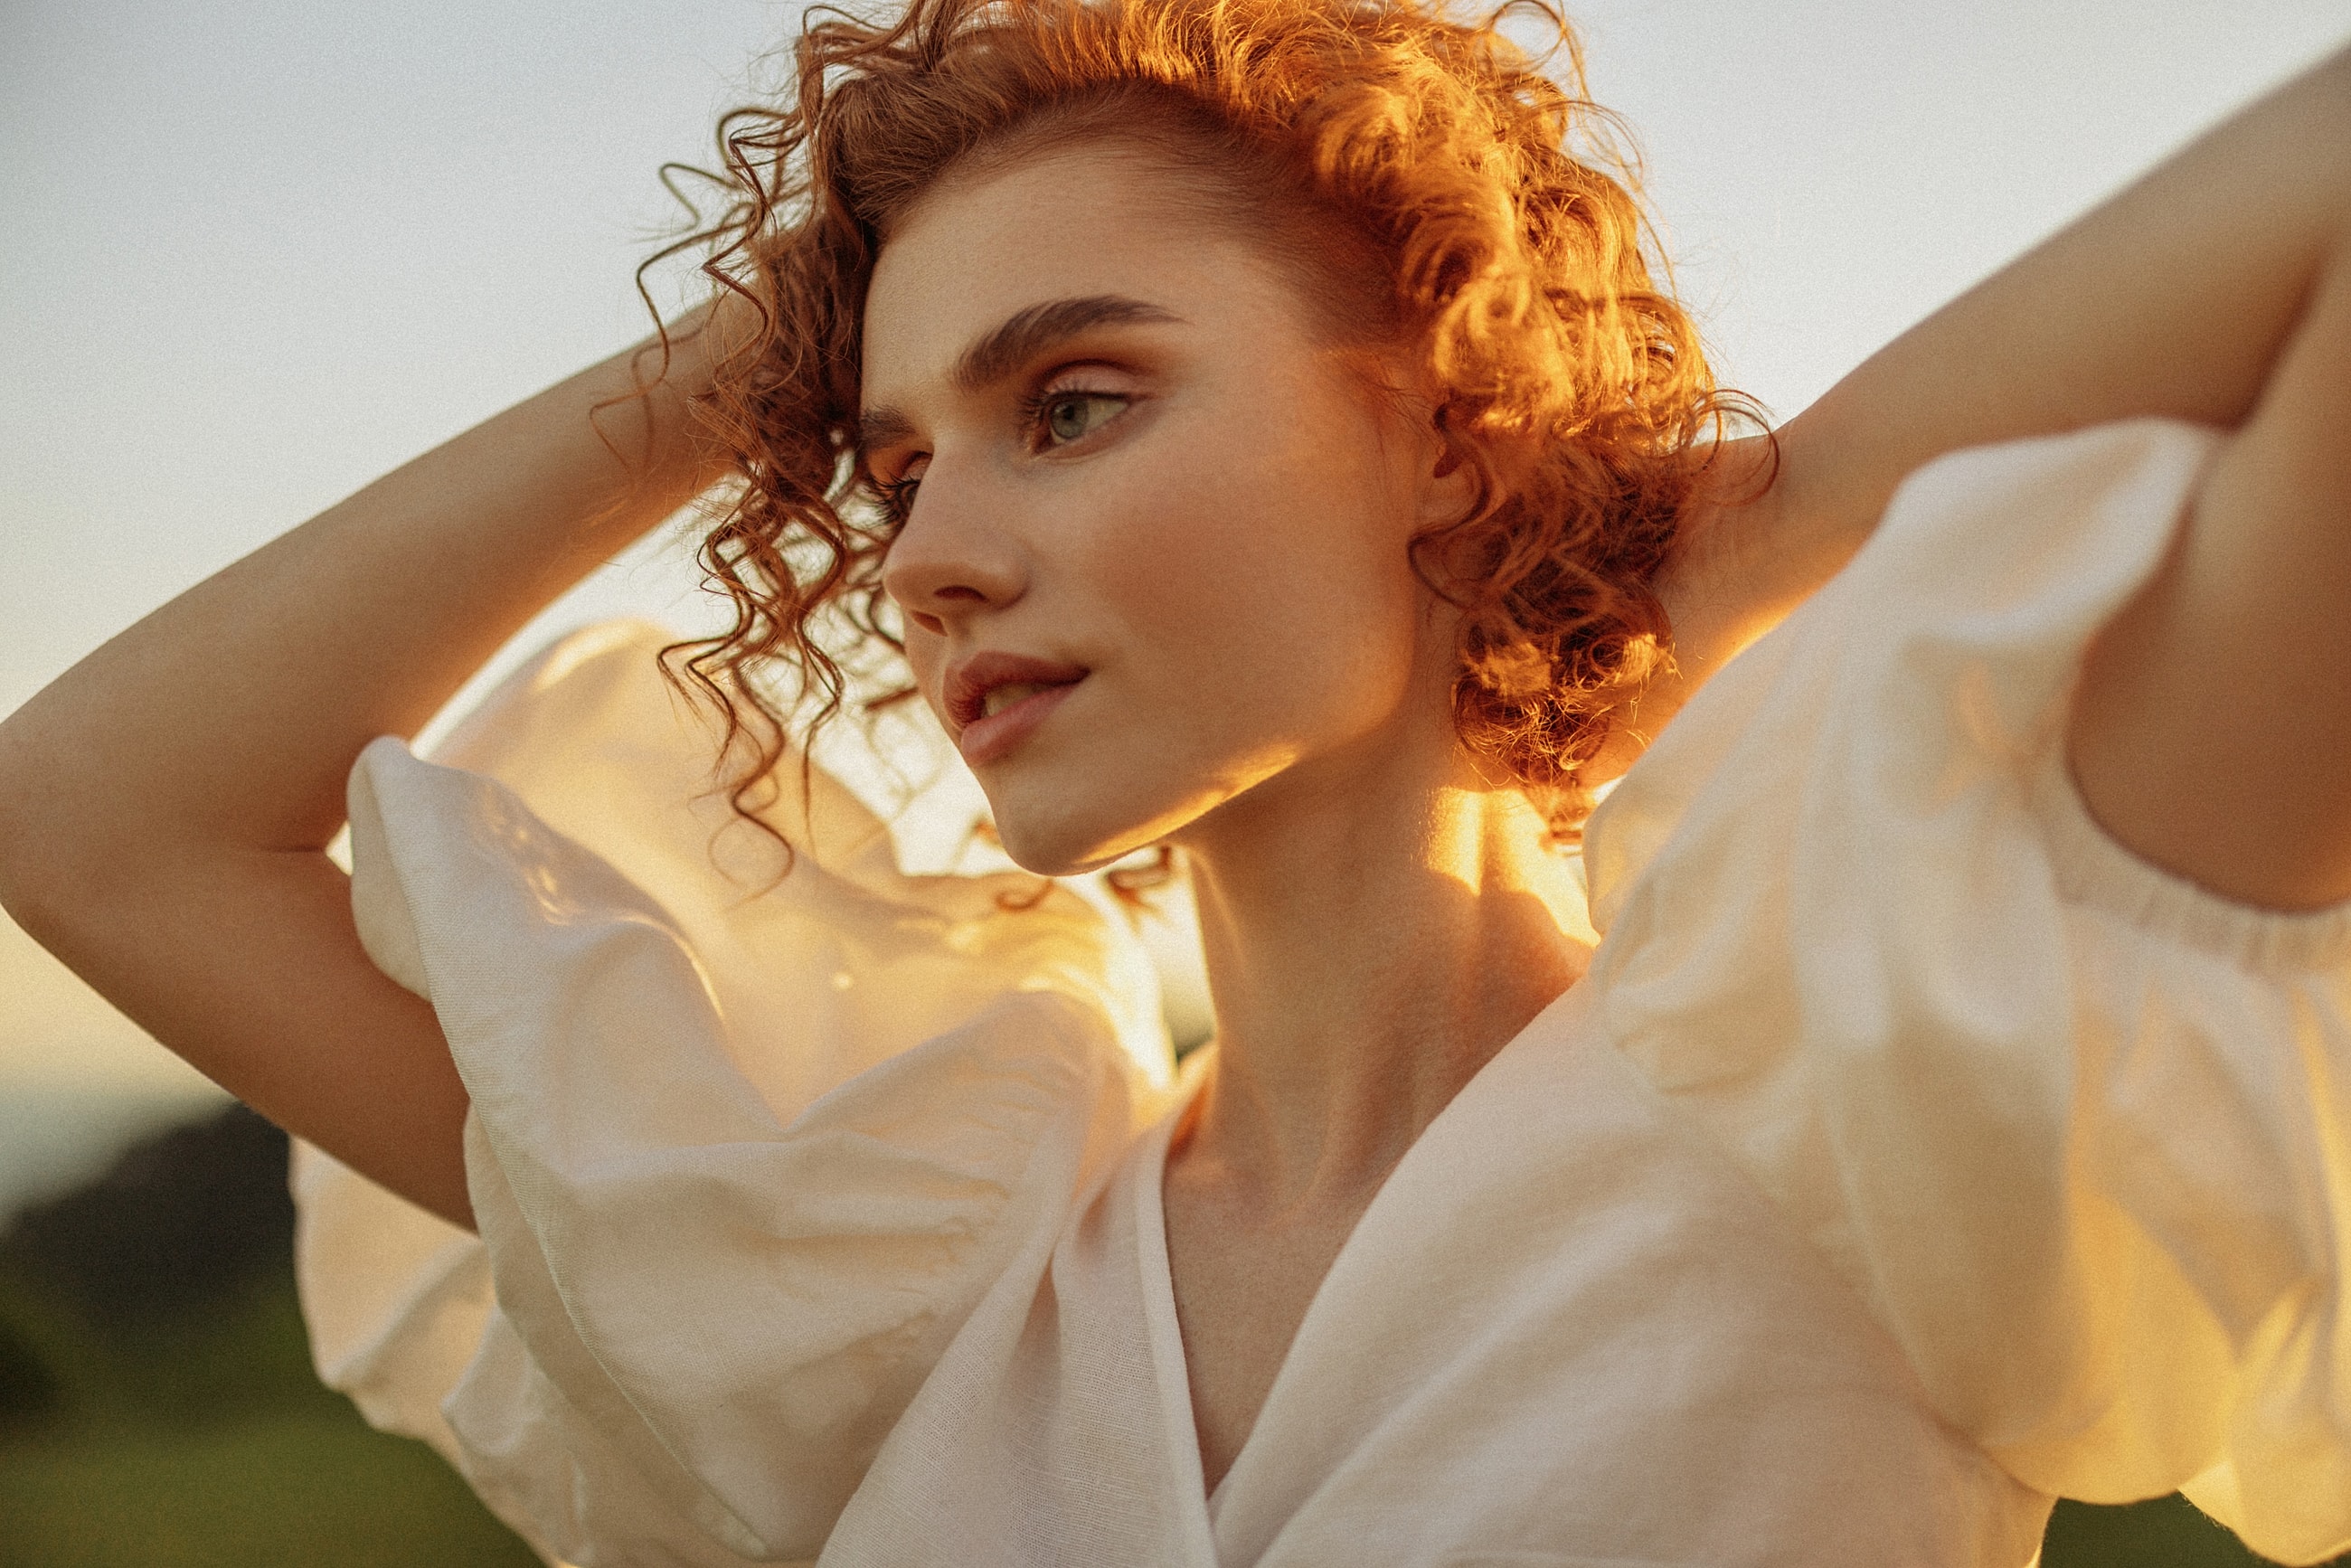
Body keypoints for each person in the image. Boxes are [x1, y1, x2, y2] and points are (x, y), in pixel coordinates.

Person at [1, 0, 2346, 1560]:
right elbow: (92, 812)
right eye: (893, 460)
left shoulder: (1880, 1061)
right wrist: (791, 320)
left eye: (1076, 401)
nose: (921, 559)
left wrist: (1718, 529)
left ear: (1440, 417)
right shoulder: (890, 1247)